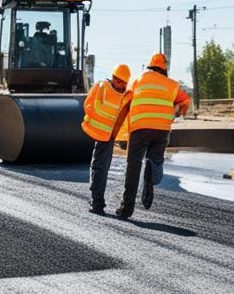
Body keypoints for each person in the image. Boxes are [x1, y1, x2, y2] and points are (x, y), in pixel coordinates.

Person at [115, 53, 190, 219]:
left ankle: (126, 208)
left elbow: (124, 107)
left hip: (139, 129)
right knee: (156, 161)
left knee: (133, 166)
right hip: (161, 130)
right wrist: (177, 112)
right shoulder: (172, 85)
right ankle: (151, 171)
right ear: (164, 69)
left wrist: (118, 134)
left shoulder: (136, 81)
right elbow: (186, 101)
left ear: (149, 66)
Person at [81, 63, 132, 215]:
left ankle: (97, 202)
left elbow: (125, 116)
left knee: (100, 168)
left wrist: (123, 137)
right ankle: (97, 203)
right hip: (102, 135)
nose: (118, 83)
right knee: (100, 168)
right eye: (116, 79)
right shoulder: (101, 86)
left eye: (121, 81)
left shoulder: (127, 95)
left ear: (126, 82)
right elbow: (88, 105)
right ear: (113, 77)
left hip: (110, 136)